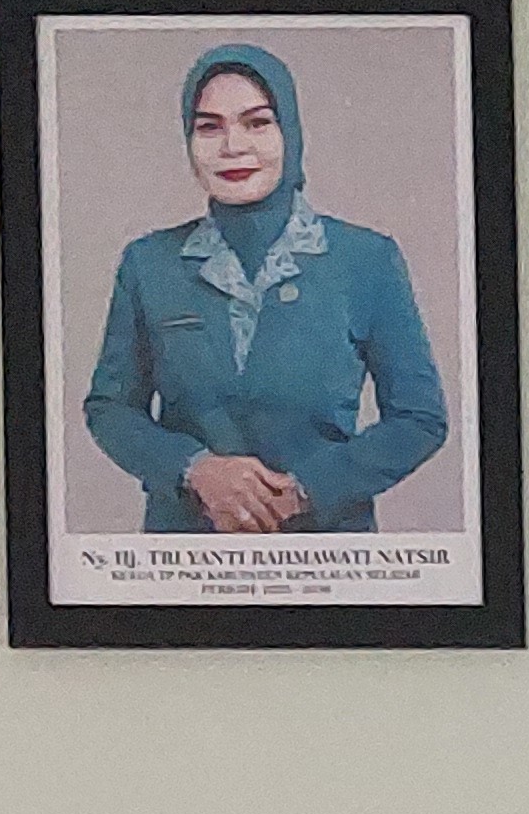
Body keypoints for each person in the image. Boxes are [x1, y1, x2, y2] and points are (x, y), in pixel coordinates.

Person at [82, 37, 449, 548]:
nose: (233, 146)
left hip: (328, 552)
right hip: (184, 555)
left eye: (257, 122)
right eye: (209, 126)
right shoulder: (149, 263)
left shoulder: (366, 261)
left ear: (290, 132)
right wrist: (196, 472)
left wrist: (302, 491)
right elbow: (110, 408)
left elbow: (419, 419)